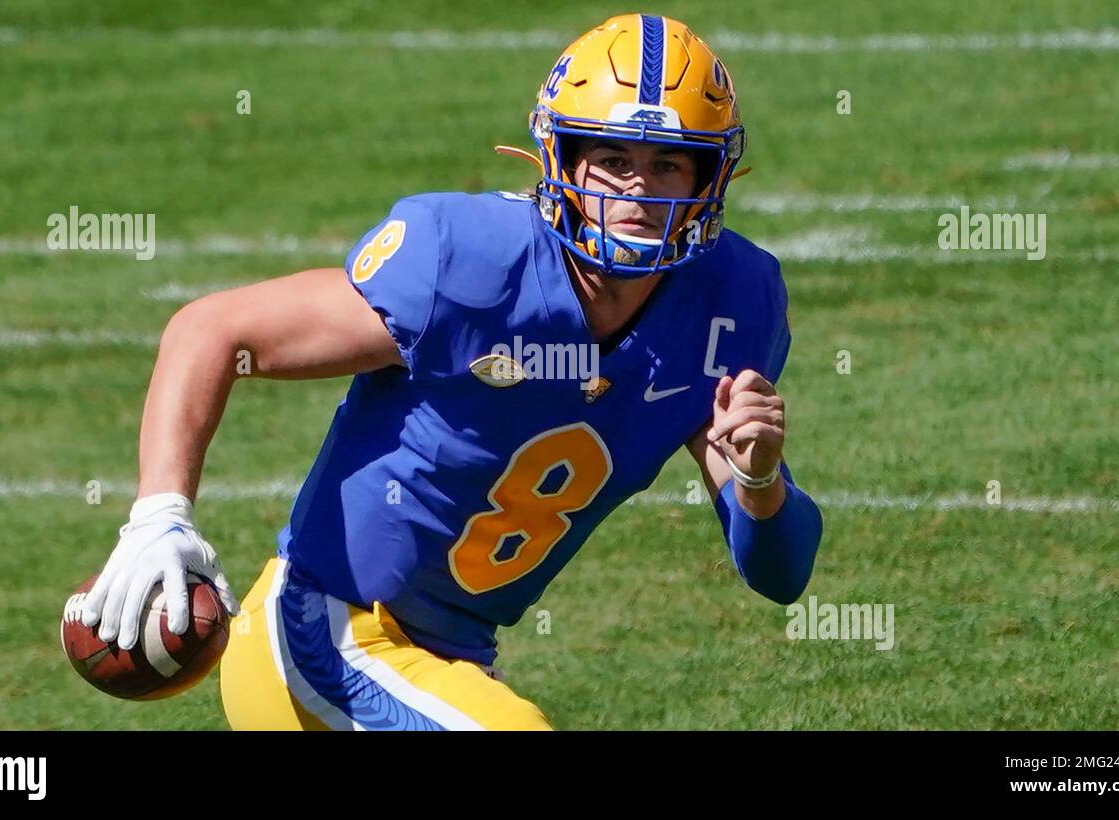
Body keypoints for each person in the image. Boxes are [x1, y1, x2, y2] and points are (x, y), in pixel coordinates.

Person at [79, 12, 823, 730]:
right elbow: (213, 329)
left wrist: (759, 480)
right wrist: (158, 515)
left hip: (450, 664)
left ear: (707, 180)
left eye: (667, 164)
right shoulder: (468, 259)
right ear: (561, 160)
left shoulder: (737, 301)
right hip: (323, 635)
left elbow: (781, 577)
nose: (635, 190)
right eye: (613, 160)